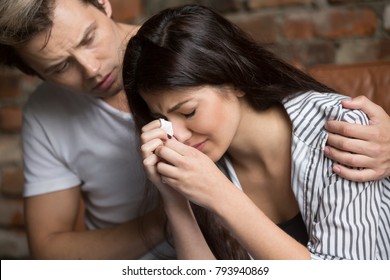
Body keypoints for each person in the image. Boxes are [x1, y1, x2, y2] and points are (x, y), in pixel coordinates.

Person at [122, 4, 390, 259]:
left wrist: (219, 194)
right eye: (162, 119)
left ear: (236, 80)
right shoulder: (201, 167)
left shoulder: (342, 130)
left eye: (188, 112)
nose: (176, 137)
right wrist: (175, 198)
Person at [0, 0, 175, 259]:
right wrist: (166, 219)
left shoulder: (181, 51)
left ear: (103, 3)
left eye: (88, 38)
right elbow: (48, 249)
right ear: (35, 73)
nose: (91, 69)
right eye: (60, 67)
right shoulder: (45, 110)